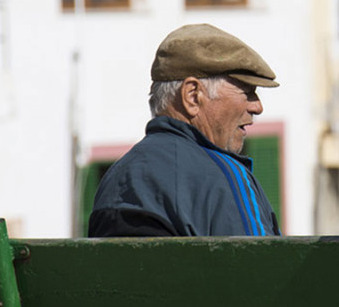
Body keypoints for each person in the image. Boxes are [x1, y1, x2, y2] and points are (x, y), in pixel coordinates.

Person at [89, 23, 281, 237]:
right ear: (192, 95)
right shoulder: (225, 177)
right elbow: (263, 267)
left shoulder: (115, 177)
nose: (257, 107)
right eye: (247, 91)